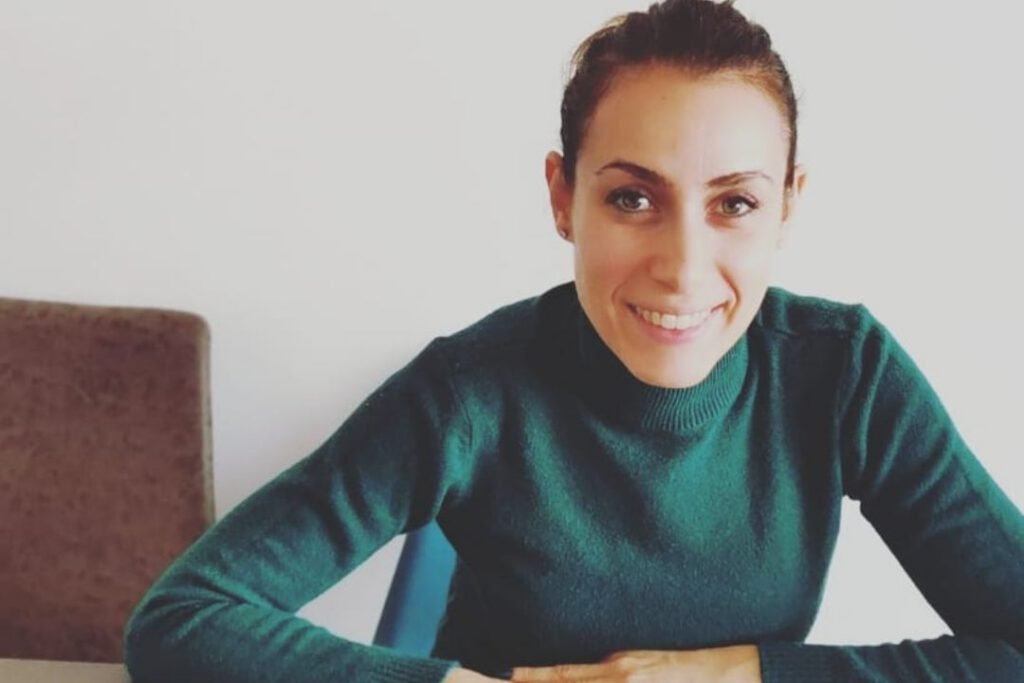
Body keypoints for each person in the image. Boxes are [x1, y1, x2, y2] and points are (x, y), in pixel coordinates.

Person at [123, 1, 1024, 681]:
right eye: (633, 198)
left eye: (735, 203)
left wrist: (740, 672)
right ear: (563, 197)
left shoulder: (844, 371)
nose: (683, 267)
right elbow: (185, 616)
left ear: (787, 204)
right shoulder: (468, 392)